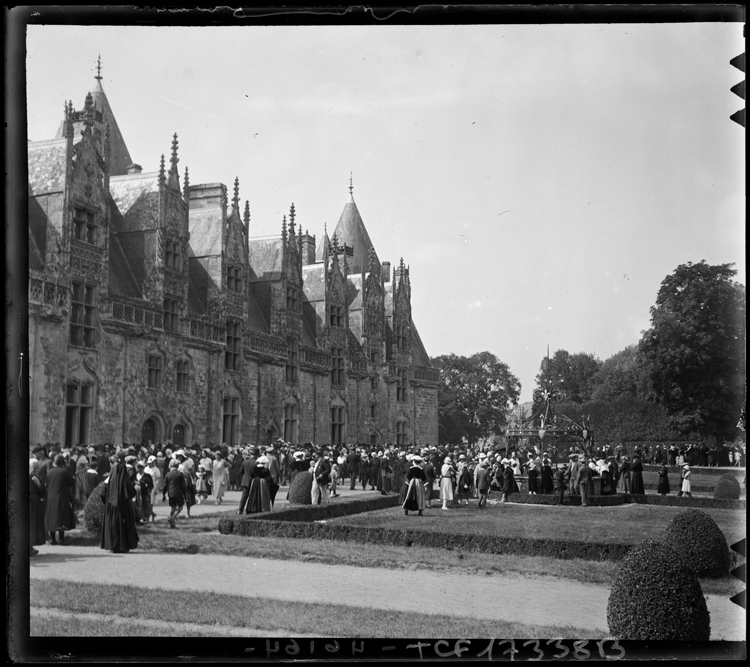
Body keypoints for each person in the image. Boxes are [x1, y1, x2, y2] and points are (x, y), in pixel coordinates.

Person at [100, 457, 139, 552]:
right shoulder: (126, 481)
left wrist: (107, 501)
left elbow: (102, 493)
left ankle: (113, 546)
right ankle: (125, 546)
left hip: (111, 507)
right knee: (124, 526)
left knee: (113, 526)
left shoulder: (108, 481)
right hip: (124, 507)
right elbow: (132, 493)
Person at [44, 454, 77, 545]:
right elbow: (71, 483)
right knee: (61, 517)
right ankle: (61, 539)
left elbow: (46, 485)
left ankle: (53, 539)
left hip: (51, 497)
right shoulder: (64, 471)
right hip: (62, 496)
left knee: (52, 517)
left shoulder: (49, 472)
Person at [29, 459, 47, 556]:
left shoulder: (37, 478)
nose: (36, 470)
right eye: (34, 468)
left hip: (35, 505)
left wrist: (39, 484)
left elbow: (44, 492)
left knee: (34, 526)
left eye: (37, 468)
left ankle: (30, 547)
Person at [164, 459, 187, 528]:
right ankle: (172, 517)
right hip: (179, 493)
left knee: (173, 507)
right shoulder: (180, 474)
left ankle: (172, 525)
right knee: (180, 507)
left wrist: (163, 494)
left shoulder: (168, 474)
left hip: (171, 493)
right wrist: (185, 494)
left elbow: (165, 485)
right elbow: (183, 485)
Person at [238, 448, 257, 514]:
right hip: (252, 480)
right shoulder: (256, 462)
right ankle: (250, 509)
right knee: (252, 496)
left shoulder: (245, 461)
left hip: (245, 480)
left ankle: (240, 510)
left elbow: (241, 471)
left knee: (244, 496)